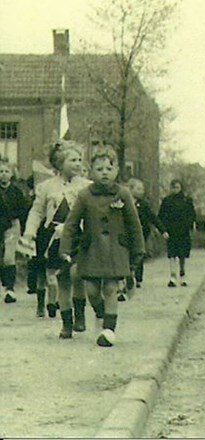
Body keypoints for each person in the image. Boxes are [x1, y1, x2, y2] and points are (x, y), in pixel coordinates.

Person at [59, 145, 145, 346]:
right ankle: (100, 312)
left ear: (116, 171)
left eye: (109, 168)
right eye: (99, 169)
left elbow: (134, 224)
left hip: (116, 250)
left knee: (110, 288)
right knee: (92, 291)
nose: (105, 173)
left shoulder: (123, 194)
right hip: (91, 250)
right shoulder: (84, 195)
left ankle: (108, 330)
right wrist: (65, 248)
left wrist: (138, 250)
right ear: (91, 171)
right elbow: (71, 224)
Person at [22, 141, 90, 331]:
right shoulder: (46, 187)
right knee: (62, 278)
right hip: (55, 238)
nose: (78, 164)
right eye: (73, 160)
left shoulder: (87, 186)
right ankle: (66, 322)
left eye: (79, 160)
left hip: (78, 236)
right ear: (60, 163)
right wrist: (29, 233)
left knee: (77, 274)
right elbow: (36, 212)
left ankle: (80, 314)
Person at [122, 178, 168, 296]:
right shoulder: (123, 202)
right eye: (138, 188)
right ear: (130, 189)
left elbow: (153, 217)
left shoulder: (143, 204)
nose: (142, 191)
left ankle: (137, 278)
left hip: (141, 233)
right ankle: (125, 277)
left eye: (142, 189)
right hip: (125, 233)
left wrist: (162, 230)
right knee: (125, 254)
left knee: (139, 254)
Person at [0, 158, 30, 303]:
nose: (3, 174)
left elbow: (23, 210)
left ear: (12, 174)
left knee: (8, 257)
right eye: (1, 171)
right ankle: (4, 283)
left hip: (12, 225)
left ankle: (10, 289)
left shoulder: (16, 191)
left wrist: (24, 230)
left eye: (6, 171)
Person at [159, 180, 197, 287]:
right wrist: (163, 230)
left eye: (177, 187)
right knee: (172, 254)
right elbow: (161, 215)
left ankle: (182, 275)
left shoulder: (186, 200)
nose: (175, 189)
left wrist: (189, 226)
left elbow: (192, 214)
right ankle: (173, 276)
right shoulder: (167, 201)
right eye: (173, 187)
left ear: (181, 188)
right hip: (171, 231)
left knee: (182, 255)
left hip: (183, 232)